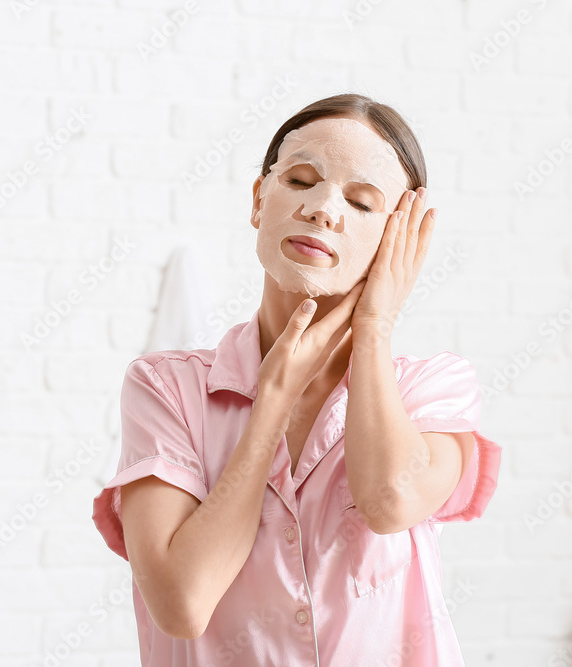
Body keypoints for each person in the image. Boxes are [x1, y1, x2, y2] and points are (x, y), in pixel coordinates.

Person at [91, 92, 502, 666]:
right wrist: (273, 400)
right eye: (302, 180)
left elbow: (389, 500)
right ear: (260, 199)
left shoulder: (432, 390)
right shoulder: (166, 388)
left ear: (396, 241)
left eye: (361, 203)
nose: (323, 209)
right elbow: (182, 603)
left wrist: (375, 325)